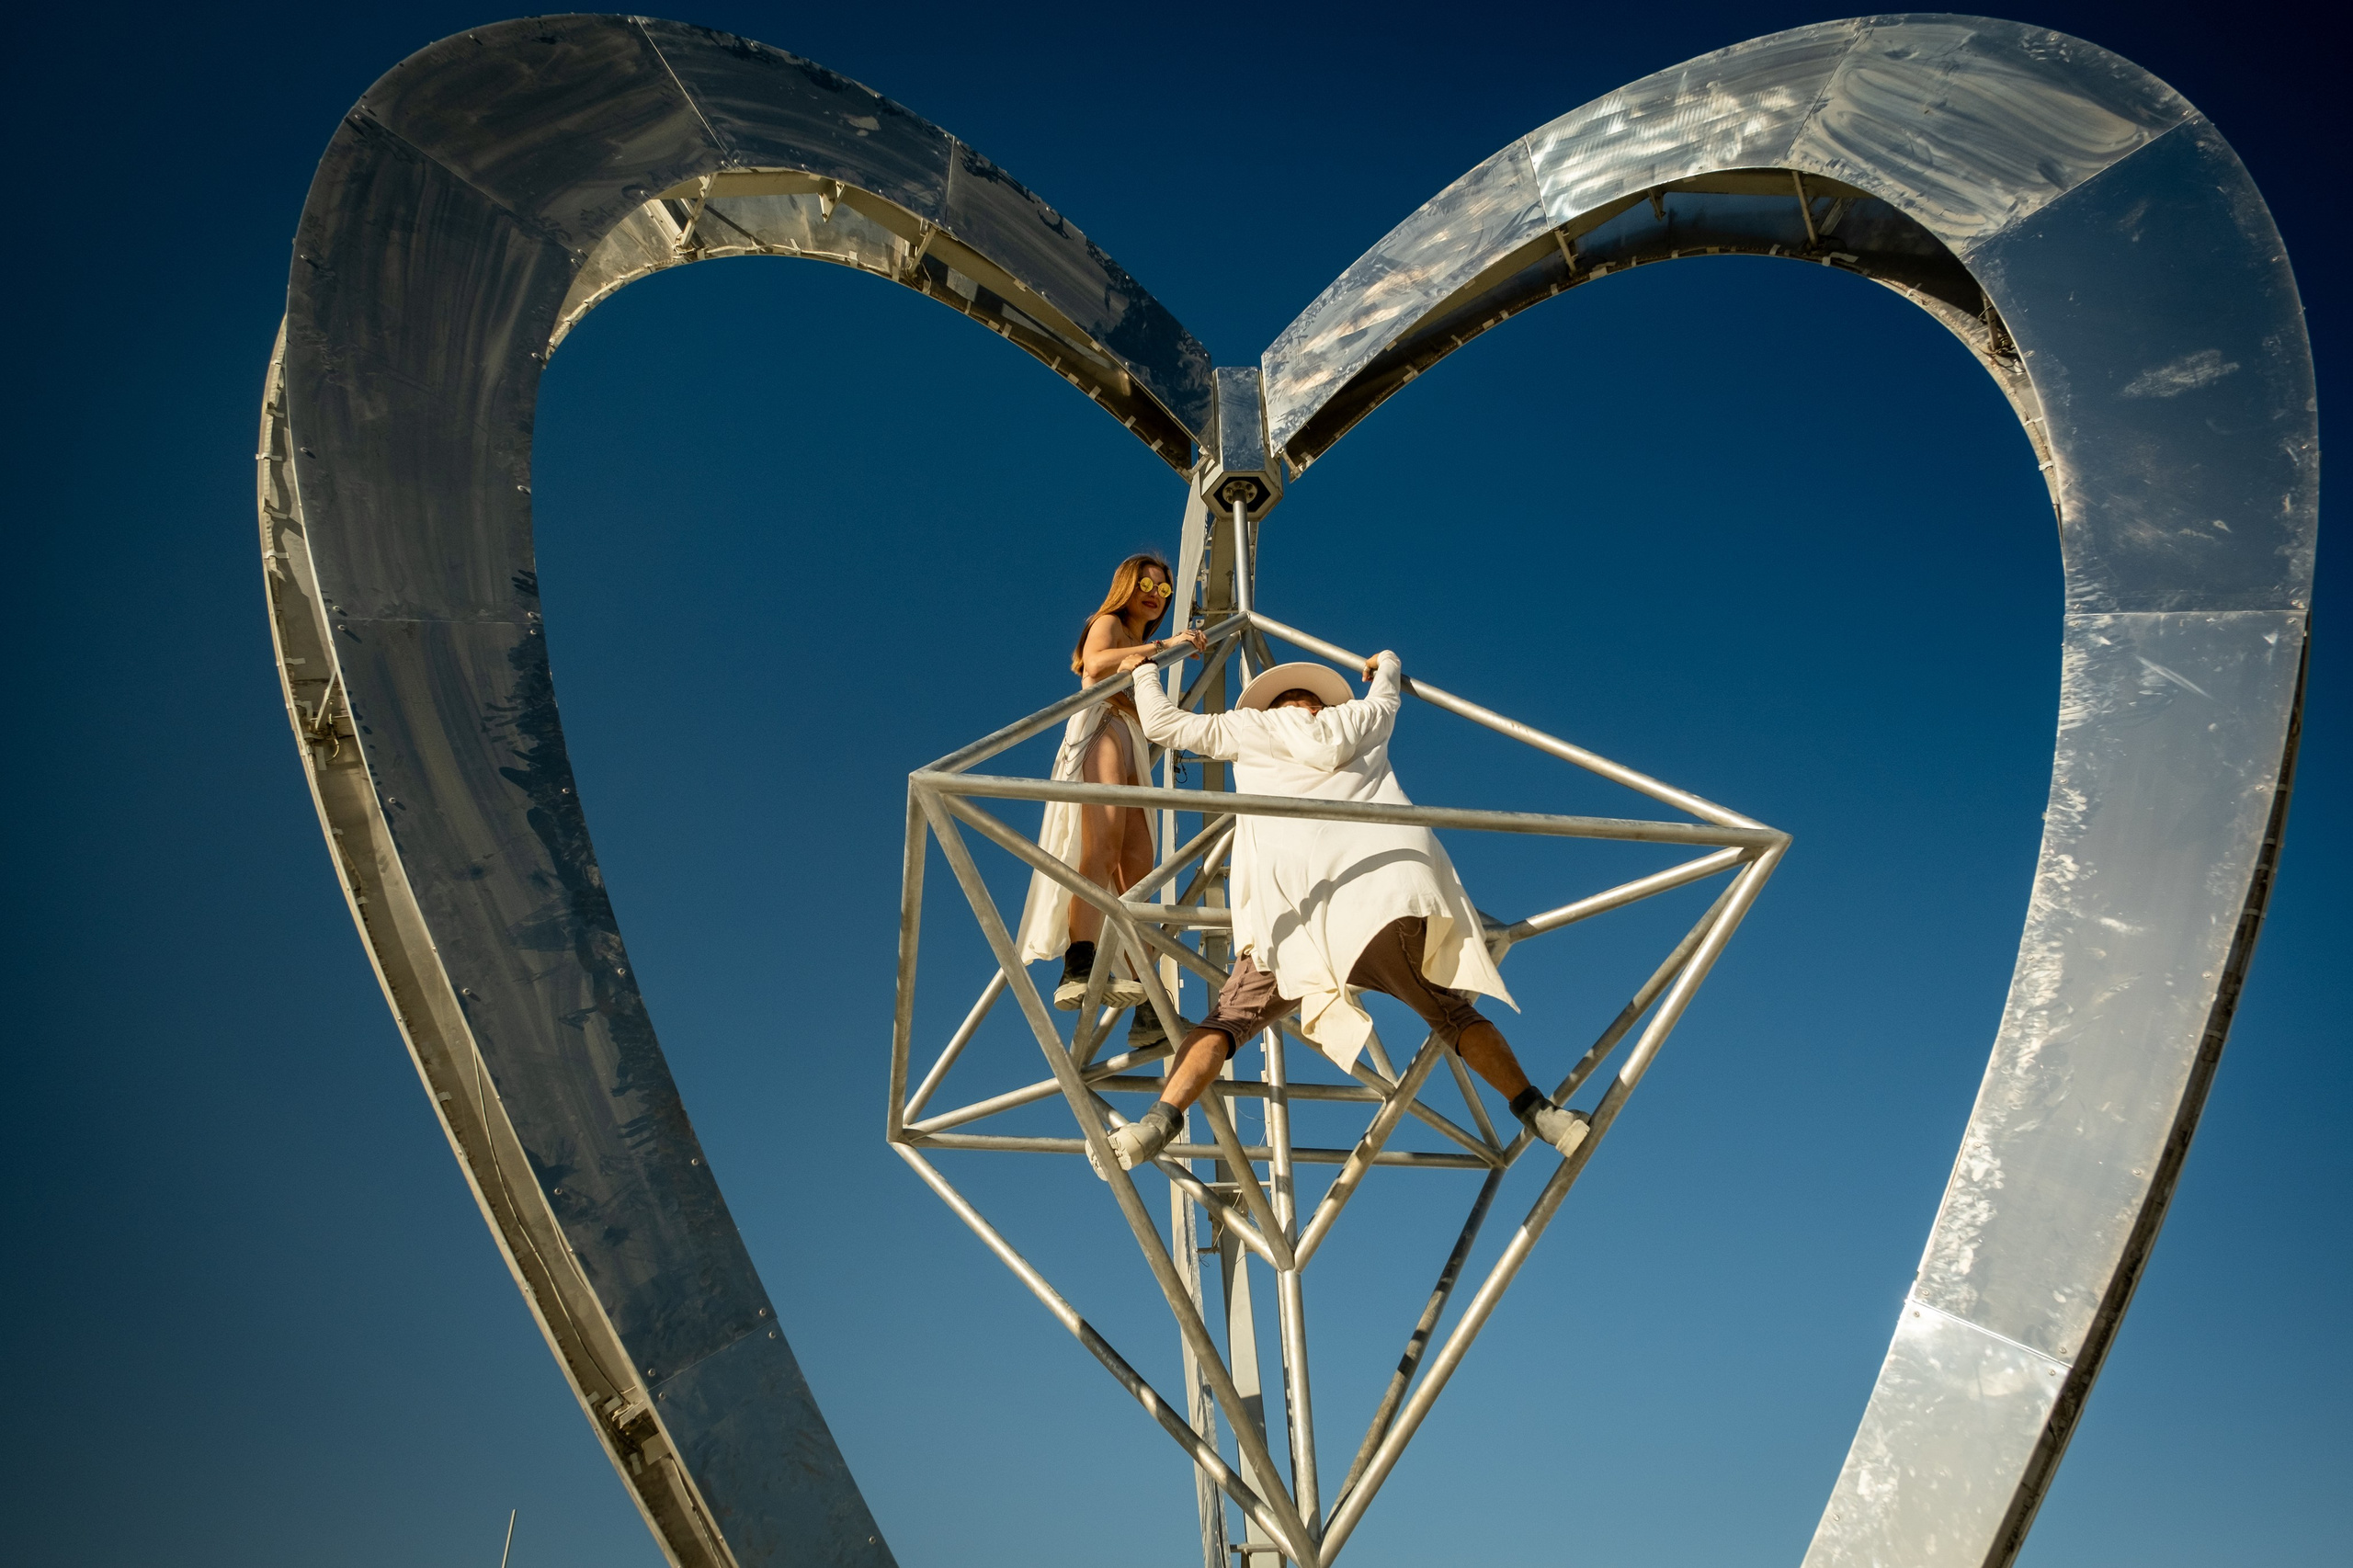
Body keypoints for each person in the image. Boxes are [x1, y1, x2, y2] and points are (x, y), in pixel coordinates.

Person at [1097, 644, 1589, 1172]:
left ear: (1272, 705)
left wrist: (1144, 671)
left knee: (1226, 1023)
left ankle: (1158, 1123)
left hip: (1293, 910)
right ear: (1320, 703)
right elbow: (1387, 697)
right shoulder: (1359, 720)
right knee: (1451, 1013)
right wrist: (1387, 663)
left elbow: (1164, 725)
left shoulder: (1248, 728)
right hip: (1383, 891)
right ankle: (1542, 1114)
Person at [1014, 553, 1209, 1038]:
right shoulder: (1110, 624)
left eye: (1164, 590)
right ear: (1127, 585)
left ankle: (1150, 1004)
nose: (1155, 595)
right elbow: (1094, 664)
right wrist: (1167, 645)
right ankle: (1078, 965)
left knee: (1138, 876)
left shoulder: (1142, 649)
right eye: (1147, 584)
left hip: (1130, 741)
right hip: (1101, 726)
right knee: (1100, 846)